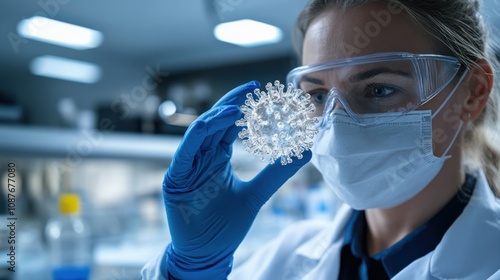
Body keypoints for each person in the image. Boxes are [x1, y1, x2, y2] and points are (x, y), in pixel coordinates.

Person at [141, 0, 500, 279]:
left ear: (473, 91)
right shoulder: (284, 260)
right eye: (317, 96)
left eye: (379, 89)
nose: (339, 125)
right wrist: (189, 271)